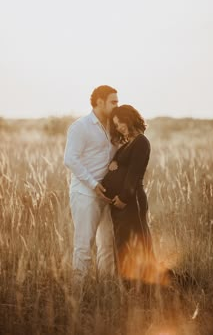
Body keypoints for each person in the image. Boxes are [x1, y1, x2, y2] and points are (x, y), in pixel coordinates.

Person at [102, 105, 169, 288]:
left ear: (130, 118)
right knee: (123, 244)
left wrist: (123, 198)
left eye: (121, 123)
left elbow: (134, 173)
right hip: (120, 204)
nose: (119, 127)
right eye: (116, 125)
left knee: (137, 243)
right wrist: (114, 163)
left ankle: (149, 285)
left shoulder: (141, 142)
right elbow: (121, 164)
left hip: (131, 202)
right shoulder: (128, 143)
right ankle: (131, 286)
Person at [64, 85, 118, 283]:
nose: (117, 106)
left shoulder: (114, 126)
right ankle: (78, 295)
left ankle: (104, 290)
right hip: (86, 195)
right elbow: (70, 159)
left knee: (108, 245)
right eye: (113, 102)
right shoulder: (80, 127)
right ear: (99, 102)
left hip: (109, 196)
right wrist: (93, 184)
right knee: (84, 245)